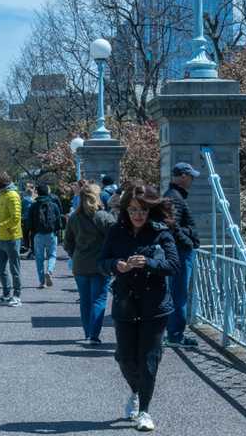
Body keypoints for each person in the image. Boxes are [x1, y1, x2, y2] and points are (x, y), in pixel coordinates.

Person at [98, 181, 179, 432]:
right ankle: (135, 390)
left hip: (155, 305)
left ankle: (144, 410)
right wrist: (117, 265)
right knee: (124, 357)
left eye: (143, 210)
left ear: (150, 210)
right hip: (125, 303)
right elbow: (101, 262)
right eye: (133, 210)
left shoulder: (161, 232)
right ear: (126, 210)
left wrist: (149, 263)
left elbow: (173, 266)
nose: (138, 215)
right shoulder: (116, 231)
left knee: (148, 359)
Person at [64, 184, 116, 343]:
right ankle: (94, 335)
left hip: (80, 263)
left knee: (85, 300)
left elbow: (67, 243)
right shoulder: (104, 217)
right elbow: (115, 240)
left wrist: (75, 255)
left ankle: (87, 332)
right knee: (99, 300)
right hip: (100, 265)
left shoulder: (74, 217)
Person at [163, 162, 201, 349]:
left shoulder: (173, 196)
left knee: (177, 293)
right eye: (191, 176)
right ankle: (176, 336)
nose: (193, 180)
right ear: (183, 176)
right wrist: (188, 242)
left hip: (179, 252)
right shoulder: (174, 198)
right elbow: (171, 226)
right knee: (180, 294)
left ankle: (173, 333)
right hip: (180, 253)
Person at [0, 172, 23, 307]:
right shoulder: (1, 196)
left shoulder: (12, 195)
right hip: (2, 238)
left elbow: (15, 218)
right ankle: (6, 294)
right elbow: (1, 218)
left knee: (14, 269)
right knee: (0, 268)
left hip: (12, 237)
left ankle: (17, 296)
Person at [27, 184, 62, 289]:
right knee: (52, 255)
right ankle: (49, 271)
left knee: (39, 258)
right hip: (51, 234)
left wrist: (32, 232)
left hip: (38, 234)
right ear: (48, 192)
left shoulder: (34, 205)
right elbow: (59, 222)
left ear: (37, 193)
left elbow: (29, 222)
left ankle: (42, 282)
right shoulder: (53, 205)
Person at [21, 184, 35, 258]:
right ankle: (32, 249)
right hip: (32, 220)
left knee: (25, 234)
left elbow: (21, 210)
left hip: (25, 219)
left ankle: (26, 246)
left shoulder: (23, 200)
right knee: (32, 234)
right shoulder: (33, 200)